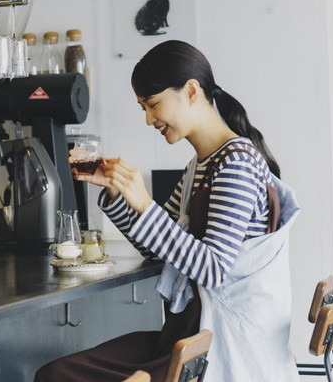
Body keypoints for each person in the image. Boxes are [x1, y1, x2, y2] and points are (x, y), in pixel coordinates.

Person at [34, 40, 300, 382]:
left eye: (153, 104)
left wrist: (144, 202)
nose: (148, 119)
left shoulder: (235, 165)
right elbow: (159, 249)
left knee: (58, 375)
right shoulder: (200, 165)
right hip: (193, 336)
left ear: (191, 91)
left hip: (219, 345)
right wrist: (118, 194)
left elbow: (212, 268)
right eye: (142, 107)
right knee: (57, 373)